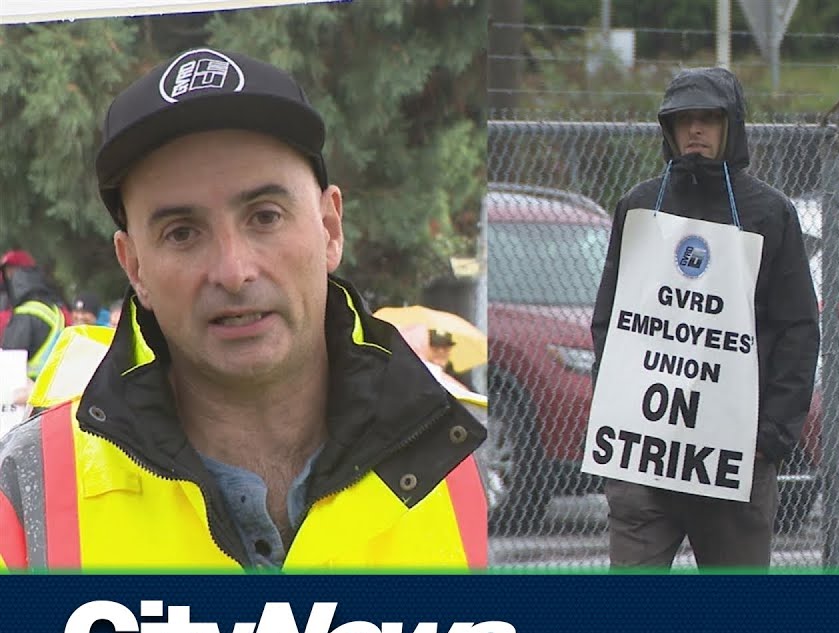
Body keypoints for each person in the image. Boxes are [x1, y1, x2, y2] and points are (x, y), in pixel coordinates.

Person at [0, 47, 488, 570]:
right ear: (135, 266)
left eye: (266, 216)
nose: (233, 272)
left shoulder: (453, 461)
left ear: (330, 228)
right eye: (182, 233)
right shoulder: (27, 495)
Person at [589, 67, 819, 570]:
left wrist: (772, 437)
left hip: (735, 461)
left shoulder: (769, 213)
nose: (695, 130)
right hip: (647, 457)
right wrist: (617, 409)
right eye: (683, 120)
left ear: (731, 126)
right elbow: (611, 323)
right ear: (668, 130)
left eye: (708, 119)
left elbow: (798, 331)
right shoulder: (640, 207)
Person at [0, 249, 67, 382]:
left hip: (26, 392)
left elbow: (10, 363)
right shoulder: (53, 308)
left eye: (10, 271)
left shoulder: (25, 313)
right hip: (52, 388)